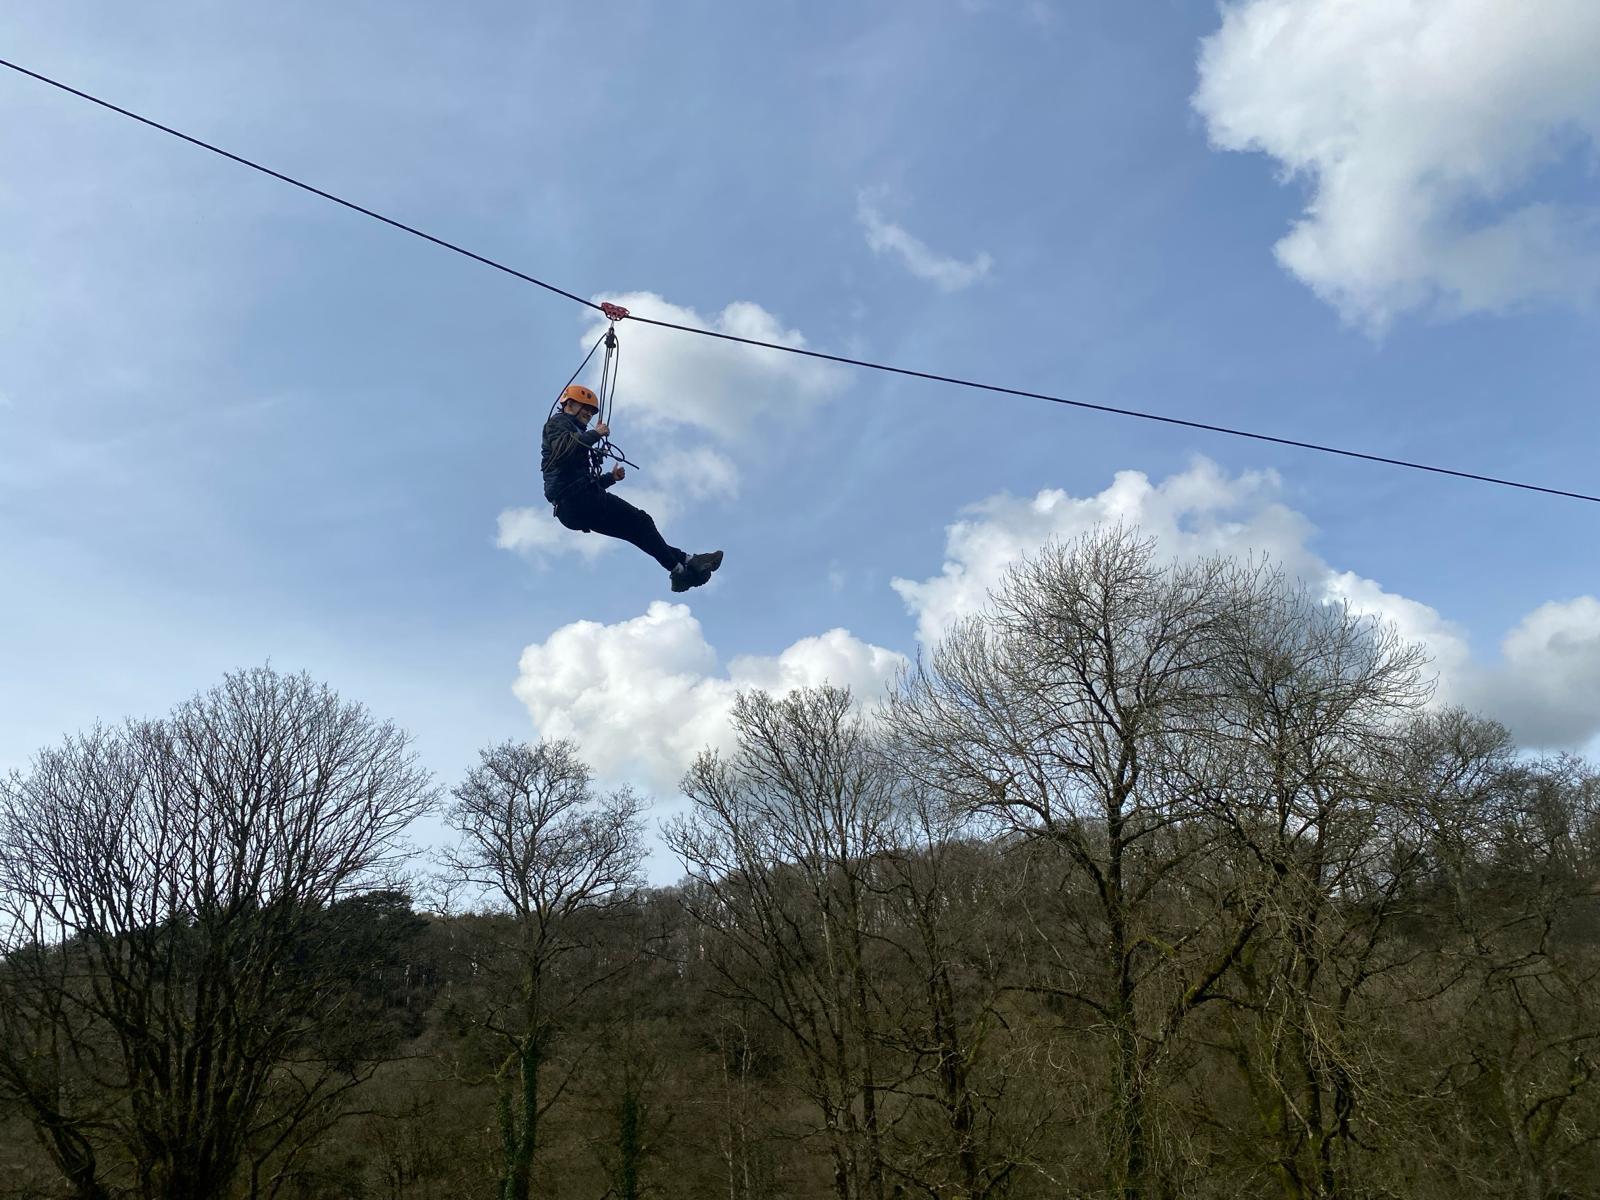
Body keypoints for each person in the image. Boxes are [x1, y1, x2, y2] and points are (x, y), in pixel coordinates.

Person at [541, 384, 723, 592]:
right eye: (586, 408)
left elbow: (577, 478)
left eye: (591, 411)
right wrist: (596, 434)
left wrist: (610, 478)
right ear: (570, 404)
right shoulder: (558, 423)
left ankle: (685, 566)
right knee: (641, 521)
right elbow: (564, 450)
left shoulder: (574, 432)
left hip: (574, 506)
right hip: (578, 500)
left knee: (637, 533)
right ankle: (684, 568)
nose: (589, 414)